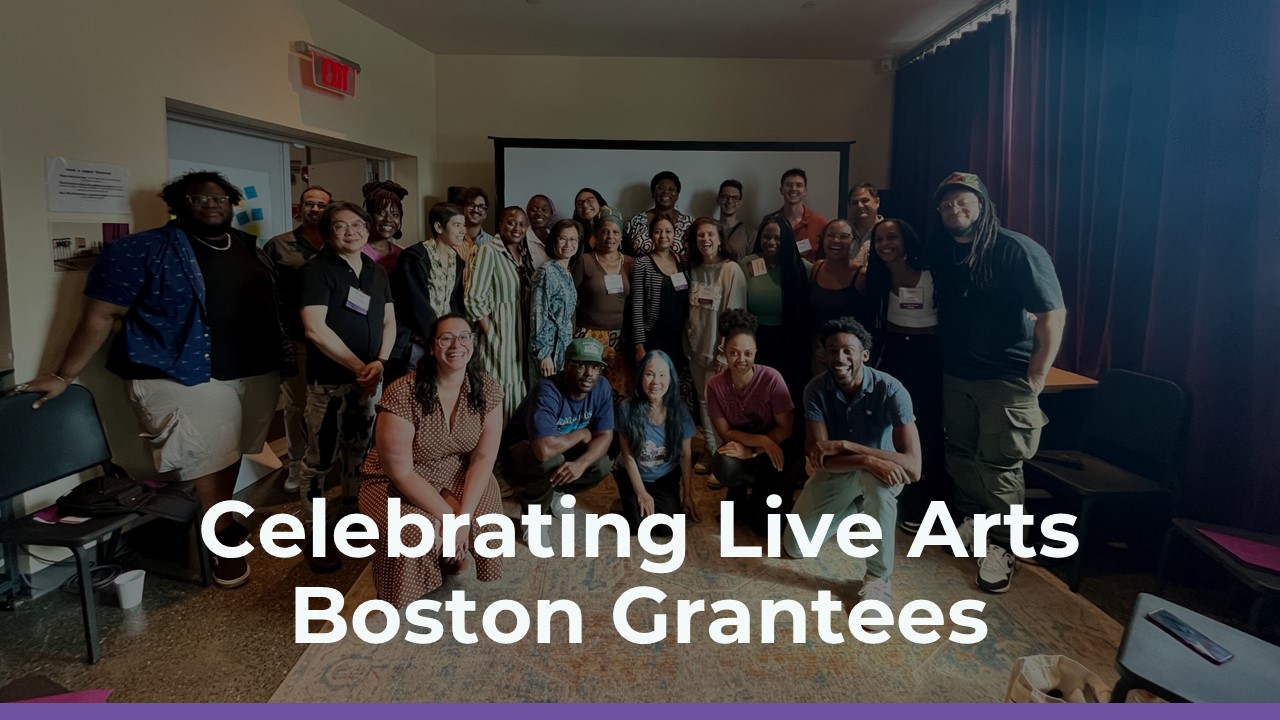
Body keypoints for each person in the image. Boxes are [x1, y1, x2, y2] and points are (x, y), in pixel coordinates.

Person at [17, 170, 290, 588]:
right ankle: (219, 542)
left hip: (254, 369)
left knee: (230, 451)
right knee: (205, 456)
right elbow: (100, 315)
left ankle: (220, 516)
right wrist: (61, 374)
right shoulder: (138, 250)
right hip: (182, 374)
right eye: (199, 198)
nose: (211, 204)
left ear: (232, 203)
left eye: (220, 197)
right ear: (178, 205)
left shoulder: (247, 248)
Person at [929, 171, 1066, 594]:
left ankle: (1004, 547)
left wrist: (1038, 374)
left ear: (983, 205)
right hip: (958, 374)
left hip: (1005, 379)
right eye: (947, 204)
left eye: (963, 202)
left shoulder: (1016, 249)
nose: (955, 210)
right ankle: (973, 525)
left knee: (1002, 466)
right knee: (961, 453)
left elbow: (1052, 314)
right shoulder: (945, 251)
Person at [358, 314, 505, 608]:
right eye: (446, 338)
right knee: (414, 531)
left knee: (483, 520)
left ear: (473, 343)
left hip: (456, 469)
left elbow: (484, 457)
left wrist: (463, 519)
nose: (457, 345)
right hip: (395, 479)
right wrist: (451, 519)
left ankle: (449, 557)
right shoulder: (402, 392)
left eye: (464, 337)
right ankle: (403, 587)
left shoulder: (487, 389)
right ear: (432, 347)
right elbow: (401, 471)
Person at [785, 317, 921, 606]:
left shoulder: (892, 390)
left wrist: (846, 446)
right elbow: (819, 458)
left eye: (848, 350)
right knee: (796, 547)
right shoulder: (815, 389)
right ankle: (859, 512)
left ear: (865, 355)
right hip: (846, 469)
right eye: (832, 350)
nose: (839, 358)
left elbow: (912, 466)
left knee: (879, 487)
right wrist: (865, 460)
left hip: (883, 474)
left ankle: (878, 579)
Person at [298, 201, 396, 571]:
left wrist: (380, 363)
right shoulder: (317, 271)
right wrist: (360, 368)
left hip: (369, 380)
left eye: (358, 224)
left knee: (359, 453)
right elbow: (314, 329)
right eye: (341, 226)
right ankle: (316, 533)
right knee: (319, 461)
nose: (352, 231)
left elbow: (389, 321)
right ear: (327, 233)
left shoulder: (374, 270)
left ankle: (352, 517)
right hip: (329, 384)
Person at [857, 218, 946, 533]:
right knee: (890, 426)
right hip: (893, 353)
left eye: (891, 238)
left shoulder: (932, 275)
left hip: (928, 355)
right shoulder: (875, 278)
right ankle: (889, 496)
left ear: (906, 240)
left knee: (927, 428)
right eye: (879, 240)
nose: (885, 245)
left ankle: (923, 504)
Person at [500, 337, 617, 549]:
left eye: (595, 366)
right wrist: (581, 433)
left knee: (602, 463)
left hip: (561, 447)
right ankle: (533, 516)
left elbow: (605, 435)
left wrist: (581, 463)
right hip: (519, 451)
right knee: (551, 460)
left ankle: (557, 494)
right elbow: (543, 450)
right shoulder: (547, 390)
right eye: (581, 365)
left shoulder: (602, 388)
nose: (589, 373)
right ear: (566, 366)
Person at [706, 310, 798, 536]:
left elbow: (786, 428)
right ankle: (741, 493)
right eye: (734, 353)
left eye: (747, 353)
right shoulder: (715, 385)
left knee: (764, 527)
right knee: (725, 462)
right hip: (750, 445)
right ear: (724, 352)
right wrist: (759, 443)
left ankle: (775, 498)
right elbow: (725, 432)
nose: (741, 360)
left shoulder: (771, 378)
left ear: (756, 351)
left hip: (779, 450)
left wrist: (757, 450)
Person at [265, 185, 331, 493]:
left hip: (335, 341)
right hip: (298, 338)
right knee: (296, 406)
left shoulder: (339, 242)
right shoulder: (279, 246)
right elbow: (267, 294)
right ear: (300, 208)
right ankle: (296, 464)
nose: (315, 209)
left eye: (321, 205)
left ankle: (323, 462)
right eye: (309, 204)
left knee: (328, 405)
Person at [685, 218, 748, 472]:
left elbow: (736, 316)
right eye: (700, 236)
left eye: (710, 234)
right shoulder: (693, 269)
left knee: (721, 405)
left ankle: (725, 457)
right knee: (702, 402)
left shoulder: (732, 270)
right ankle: (711, 451)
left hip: (718, 353)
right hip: (695, 351)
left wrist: (725, 354)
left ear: (720, 239)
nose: (706, 240)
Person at [616, 350, 701, 534]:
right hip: (634, 473)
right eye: (649, 374)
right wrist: (641, 493)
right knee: (637, 526)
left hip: (665, 476)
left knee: (668, 528)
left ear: (671, 380)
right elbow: (628, 455)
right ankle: (626, 501)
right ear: (641, 377)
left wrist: (687, 495)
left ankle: (656, 500)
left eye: (663, 375)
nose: (656, 382)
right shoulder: (626, 409)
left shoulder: (680, 411)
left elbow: (686, 455)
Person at [738, 215, 812, 408]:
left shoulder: (800, 267)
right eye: (766, 237)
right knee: (758, 391)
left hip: (789, 338)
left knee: (786, 392)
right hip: (756, 338)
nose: (771, 242)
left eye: (778, 238)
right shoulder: (747, 264)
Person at [390, 202, 468, 382]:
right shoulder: (415, 256)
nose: (463, 231)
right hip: (418, 341)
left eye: (464, 225)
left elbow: (455, 303)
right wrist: (435, 337)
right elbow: (416, 303)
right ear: (439, 227)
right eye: (457, 225)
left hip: (444, 342)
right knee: (413, 392)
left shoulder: (457, 260)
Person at [465, 207, 530, 414]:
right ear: (501, 223)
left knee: (517, 389)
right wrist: (492, 334)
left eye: (522, 224)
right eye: (512, 222)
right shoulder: (488, 251)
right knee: (497, 391)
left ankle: (511, 444)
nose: (517, 228)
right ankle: (494, 445)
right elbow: (473, 298)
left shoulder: (523, 254)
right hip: (498, 334)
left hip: (519, 335)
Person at [628, 214, 692, 411]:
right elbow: (636, 307)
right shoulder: (643, 264)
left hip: (678, 338)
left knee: (673, 387)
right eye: (657, 231)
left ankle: (672, 428)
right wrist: (639, 345)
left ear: (674, 234)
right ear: (650, 235)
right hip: (653, 336)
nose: (663, 235)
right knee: (653, 388)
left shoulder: (682, 261)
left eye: (668, 231)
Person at [572, 207, 634, 400]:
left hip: (619, 338)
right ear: (596, 235)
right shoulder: (585, 261)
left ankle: (614, 429)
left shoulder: (630, 263)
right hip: (588, 335)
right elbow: (570, 299)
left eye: (615, 232)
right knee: (586, 387)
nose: (610, 237)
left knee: (619, 388)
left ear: (621, 236)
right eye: (605, 231)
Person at [809, 219, 871, 374]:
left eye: (844, 236)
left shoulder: (862, 275)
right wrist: (817, 346)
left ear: (853, 242)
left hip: (849, 358)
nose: (836, 240)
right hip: (820, 354)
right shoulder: (817, 268)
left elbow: (868, 320)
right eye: (831, 235)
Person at [531, 219, 580, 377]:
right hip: (549, 349)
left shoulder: (566, 271)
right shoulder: (546, 271)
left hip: (564, 348)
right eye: (563, 239)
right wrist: (544, 354)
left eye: (573, 239)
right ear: (554, 240)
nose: (568, 244)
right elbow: (538, 313)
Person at [625, 171, 693, 260]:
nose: (665, 192)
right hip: (642, 272)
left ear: (677, 195)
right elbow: (626, 254)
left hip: (681, 273)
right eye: (660, 188)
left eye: (671, 189)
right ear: (653, 193)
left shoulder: (690, 224)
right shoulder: (636, 221)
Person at [772, 168, 827, 261]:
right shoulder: (771, 221)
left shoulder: (820, 223)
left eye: (799, 185)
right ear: (781, 190)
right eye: (789, 185)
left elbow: (825, 261)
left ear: (805, 191)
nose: (793, 189)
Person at [361, 180, 408, 274]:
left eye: (395, 214)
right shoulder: (357, 251)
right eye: (381, 213)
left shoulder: (402, 254)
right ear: (368, 215)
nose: (388, 219)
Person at [716, 179, 757, 260]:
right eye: (725, 196)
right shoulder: (708, 230)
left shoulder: (750, 233)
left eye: (735, 198)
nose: (730, 201)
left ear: (740, 203)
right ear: (718, 200)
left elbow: (753, 265)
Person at [847, 183, 884, 265]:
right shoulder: (845, 234)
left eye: (865, 201)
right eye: (855, 202)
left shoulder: (889, 233)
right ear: (849, 207)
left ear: (877, 202)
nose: (860, 205)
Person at [571, 187, 607, 254]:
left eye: (589, 200)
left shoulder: (614, 228)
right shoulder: (574, 233)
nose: (584, 205)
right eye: (580, 203)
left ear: (600, 203)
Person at [522, 194, 553, 271]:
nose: (539, 213)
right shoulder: (521, 239)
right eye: (534, 209)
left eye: (544, 210)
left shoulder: (556, 237)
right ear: (527, 213)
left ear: (551, 214)